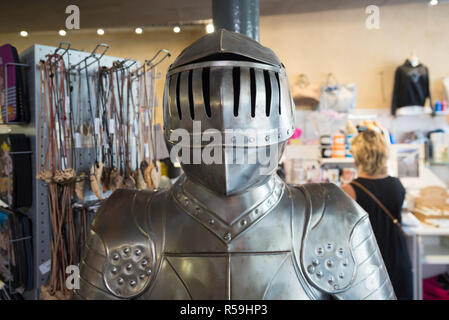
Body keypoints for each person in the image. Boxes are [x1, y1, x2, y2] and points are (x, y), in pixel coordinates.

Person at [342, 129, 413, 300]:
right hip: (398, 255)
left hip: (368, 260)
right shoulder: (397, 185)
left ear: (358, 156)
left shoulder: (349, 190)